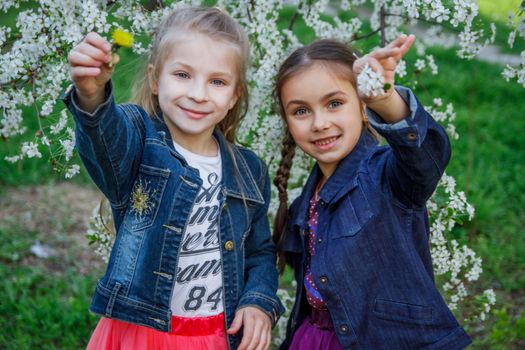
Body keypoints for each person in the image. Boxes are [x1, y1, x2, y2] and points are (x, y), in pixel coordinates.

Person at [63, 6, 283, 350]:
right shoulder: (139, 142)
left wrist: (258, 300)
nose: (198, 93)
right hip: (142, 332)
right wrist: (92, 96)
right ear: (155, 79)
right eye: (182, 75)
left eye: (217, 81)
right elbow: (105, 141)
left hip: (214, 336)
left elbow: (258, 252)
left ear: (235, 95)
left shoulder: (248, 170)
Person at [272, 35, 472, 349]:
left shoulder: (385, 175)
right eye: (300, 111)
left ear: (362, 107)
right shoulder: (303, 203)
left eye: (334, 103)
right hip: (313, 338)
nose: (320, 123)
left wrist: (385, 101)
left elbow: (424, 158)